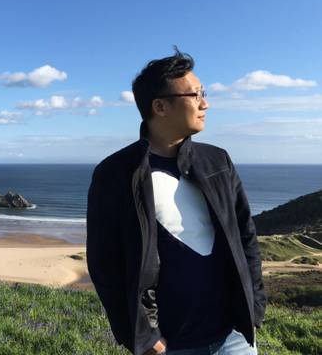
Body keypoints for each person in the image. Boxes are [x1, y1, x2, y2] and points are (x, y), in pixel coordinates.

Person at [86, 47, 266, 355]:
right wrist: (142, 337)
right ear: (160, 106)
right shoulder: (116, 173)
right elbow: (105, 265)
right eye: (195, 95)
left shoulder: (218, 161)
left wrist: (255, 305)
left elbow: (245, 237)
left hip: (233, 337)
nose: (205, 103)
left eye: (203, 93)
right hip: (170, 345)